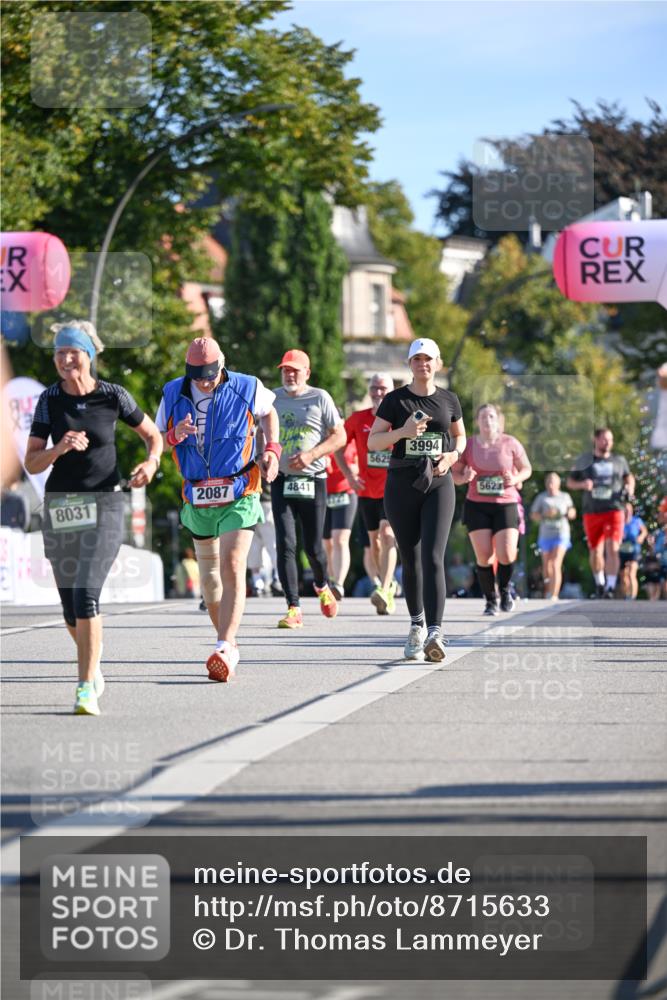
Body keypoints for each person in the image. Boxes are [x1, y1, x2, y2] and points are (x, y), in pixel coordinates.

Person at [24, 321, 162, 716]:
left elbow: (154, 436)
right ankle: (93, 663)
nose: (66, 359)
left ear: (89, 354)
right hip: (61, 506)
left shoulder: (113, 396)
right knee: (70, 607)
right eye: (59, 353)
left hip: (104, 503)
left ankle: (86, 687)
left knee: (86, 593)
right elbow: (32, 461)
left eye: (73, 351)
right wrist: (60, 447)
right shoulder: (50, 401)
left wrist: (151, 464)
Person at [156, 337, 279, 680]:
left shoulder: (247, 386)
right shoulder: (172, 393)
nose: (204, 383)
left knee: (233, 562)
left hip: (240, 488)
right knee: (209, 580)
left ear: (222, 365)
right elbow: (154, 438)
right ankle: (229, 642)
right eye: (197, 377)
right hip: (197, 495)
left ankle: (224, 645)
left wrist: (272, 450)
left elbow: (269, 414)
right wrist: (173, 436)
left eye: (209, 376)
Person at [368, 338, 466, 662]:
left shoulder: (449, 399)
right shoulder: (396, 401)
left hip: (439, 484)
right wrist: (403, 433)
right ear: (409, 364)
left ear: (438, 364)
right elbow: (373, 442)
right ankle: (417, 625)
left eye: (429, 359)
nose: (423, 364)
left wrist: (452, 456)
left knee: (434, 556)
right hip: (401, 484)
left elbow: (461, 436)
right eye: (417, 359)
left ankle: (436, 632)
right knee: (410, 559)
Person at [271, 349, 347, 628]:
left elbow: (340, 436)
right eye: (285, 370)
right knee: (286, 544)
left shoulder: (320, 397)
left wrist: (311, 455)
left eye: (295, 370)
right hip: (281, 480)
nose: (289, 375)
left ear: (307, 373)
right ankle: (293, 607)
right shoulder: (272, 398)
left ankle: (322, 585)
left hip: (313, 479)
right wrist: (262, 458)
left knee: (314, 548)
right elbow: (257, 431)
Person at [452, 403, 532, 616]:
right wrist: (464, 477)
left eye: (491, 417)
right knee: (484, 556)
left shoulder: (510, 443)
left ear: (498, 420)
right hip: (477, 506)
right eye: (483, 417)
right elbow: (454, 474)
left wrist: (514, 478)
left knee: (506, 554)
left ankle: (505, 590)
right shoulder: (468, 445)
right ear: (477, 422)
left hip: (506, 503)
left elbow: (527, 469)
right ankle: (490, 600)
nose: (487, 421)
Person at [335, 373, 398, 615]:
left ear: (391, 391)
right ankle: (388, 584)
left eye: (383, 388)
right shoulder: (359, 418)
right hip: (366, 491)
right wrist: (349, 475)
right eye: (374, 388)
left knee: (387, 533)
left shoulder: (399, 420)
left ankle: (384, 588)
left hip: (392, 491)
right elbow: (338, 445)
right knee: (374, 544)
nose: (378, 393)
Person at [567, 428, 635, 598]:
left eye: (610, 440)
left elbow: (629, 477)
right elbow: (570, 482)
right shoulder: (585, 459)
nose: (608, 443)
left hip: (615, 508)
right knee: (595, 550)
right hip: (592, 511)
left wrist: (630, 489)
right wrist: (583, 485)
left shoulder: (619, 460)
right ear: (596, 440)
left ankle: (611, 587)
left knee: (613, 548)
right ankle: (600, 583)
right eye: (604, 439)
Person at [530, 473, 576, 600]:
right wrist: (545, 515)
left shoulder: (565, 497)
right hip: (545, 535)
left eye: (553, 482)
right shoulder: (541, 497)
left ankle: (554, 594)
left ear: (558, 484)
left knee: (556, 563)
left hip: (561, 533)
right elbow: (533, 515)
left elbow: (572, 512)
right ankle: (548, 590)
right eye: (548, 482)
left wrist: (570, 512)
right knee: (547, 566)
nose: (550, 485)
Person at [323, 441, 358, 600]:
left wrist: (349, 469)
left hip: (345, 492)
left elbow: (360, 465)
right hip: (322, 494)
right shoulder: (320, 439)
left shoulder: (350, 440)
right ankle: (331, 580)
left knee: (340, 539)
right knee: (327, 543)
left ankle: (338, 584)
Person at [619, 503, 648, 600]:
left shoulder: (637, 521)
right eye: (625, 509)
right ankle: (626, 595)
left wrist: (641, 537)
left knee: (632, 573)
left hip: (634, 550)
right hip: (622, 551)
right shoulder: (619, 522)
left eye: (629, 509)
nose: (627, 512)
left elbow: (644, 531)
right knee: (623, 576)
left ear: (632, 511)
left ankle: (633, 597)